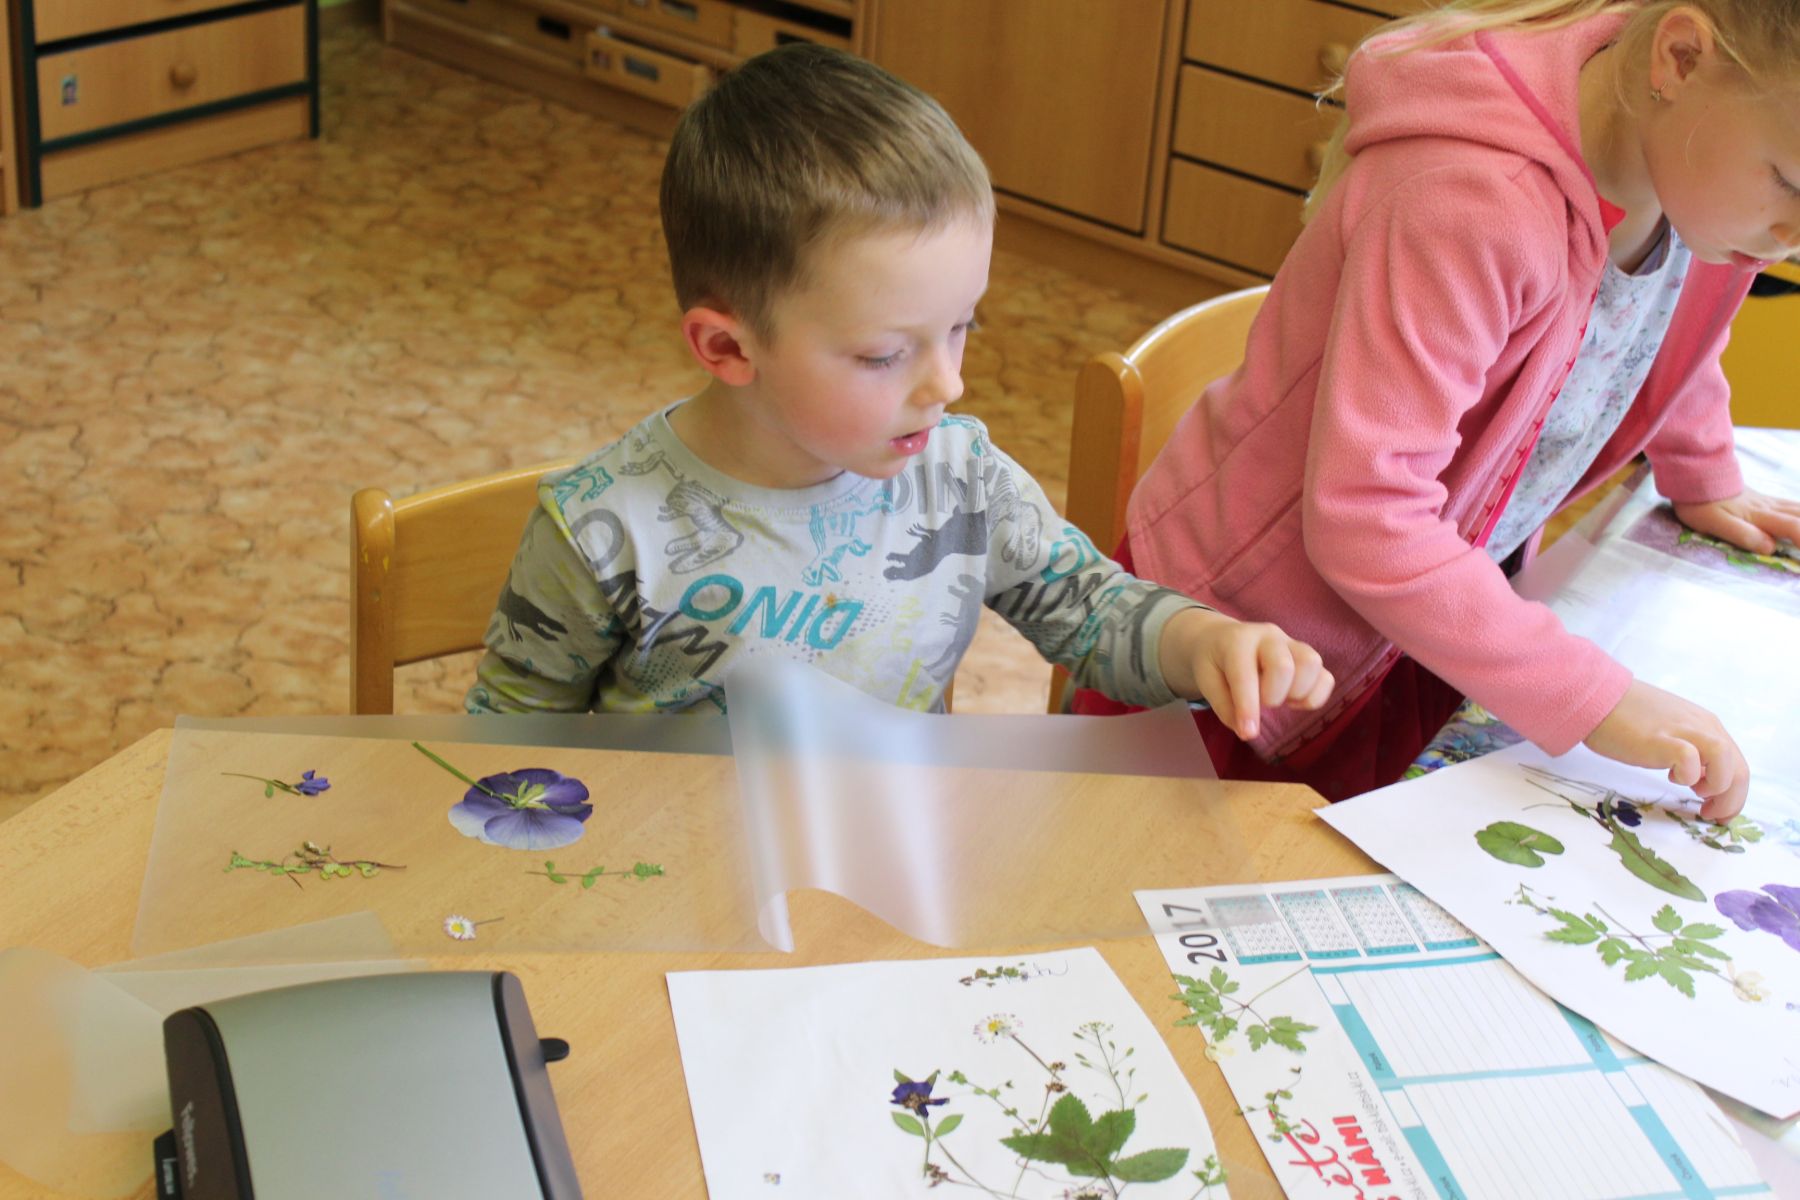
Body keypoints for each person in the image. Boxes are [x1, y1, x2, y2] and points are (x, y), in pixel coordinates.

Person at [465, 43, 1334, 734]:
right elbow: (504, 748)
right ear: (728, 347)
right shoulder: (601, 531)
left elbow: (1091, 611)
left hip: (879, 875)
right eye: (884, 355)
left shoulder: (961, 481)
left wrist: (1202, 641)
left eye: (962, 326)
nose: (947, 384)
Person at [1075, 0, 1800, 819]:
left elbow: (1651, 324)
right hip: (1240, 652)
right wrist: (1596, 699)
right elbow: (1367, 514)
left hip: (1427, 618)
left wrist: (1702, 471)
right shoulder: (1474, 200)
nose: (1797, 236)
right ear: (1680, 57)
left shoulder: (1695, 173)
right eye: (1792, 182)